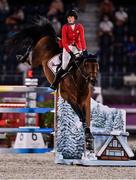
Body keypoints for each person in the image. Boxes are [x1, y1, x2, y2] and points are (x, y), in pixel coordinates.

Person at [50, 9, 88, 90]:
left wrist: (84, 50)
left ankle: (87, 80)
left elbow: (82, 39)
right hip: (68, 47)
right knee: (64, 66)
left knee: (82, 63)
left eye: (71, 17)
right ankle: (55, 83)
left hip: (78, 47)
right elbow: (64, 41)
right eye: (68, 17)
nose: (69, 19)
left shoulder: (80, 27)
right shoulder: (65, 27)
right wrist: (69, 52)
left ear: (75, 18)